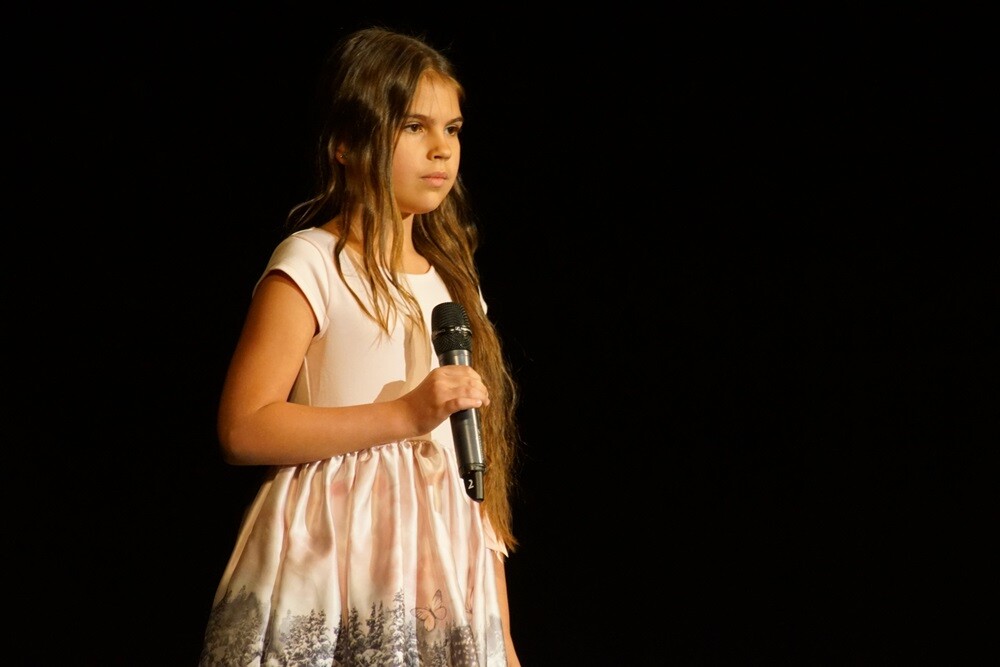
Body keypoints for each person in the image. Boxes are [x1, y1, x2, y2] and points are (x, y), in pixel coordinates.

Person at [198, 27, 522, 666]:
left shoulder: (454, 285)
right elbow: (243, 427)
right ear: (345, 143)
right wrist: (403, 416)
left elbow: (477, 482)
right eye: (413, 127)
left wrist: (502, 635)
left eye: (452, 129)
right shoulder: (313, 262)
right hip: (334, 557)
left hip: (440, 566)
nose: (441, 148)